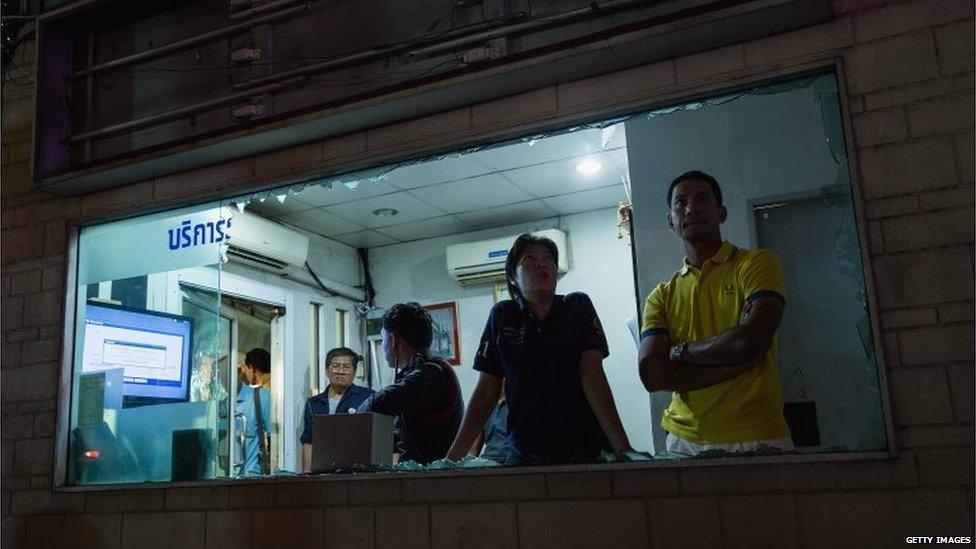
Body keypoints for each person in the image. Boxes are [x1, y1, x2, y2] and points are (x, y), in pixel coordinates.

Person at [637, 170, 792, 457]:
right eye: (680, 202)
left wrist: (678, 351)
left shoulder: (756, 264)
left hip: (757, 436)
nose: (691, 208)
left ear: (721, 212)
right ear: (670, 220)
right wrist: (734, 363)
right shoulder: (661, 295)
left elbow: (751, 340)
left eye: (702, 199)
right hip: (683, 441)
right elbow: (652, 374)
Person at [446, 233, 633, 464]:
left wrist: (623, 449)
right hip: (525, 454)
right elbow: (487, 391)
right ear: (513, 278)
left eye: (548, 259)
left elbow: (592, 375)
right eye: (530, 260)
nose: (542, 264)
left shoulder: (577, 307)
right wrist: (452, 459)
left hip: (582, 450)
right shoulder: (503, 316)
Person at [357, 302, 463, 465]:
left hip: (432, 479)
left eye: (383, 338)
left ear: (393, 340)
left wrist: (355, 416)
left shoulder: (429, 374)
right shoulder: (426, 371)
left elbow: (381, 401)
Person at [300, 347, 375, 472]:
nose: (340, 371)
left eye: (346, 367)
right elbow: (308, 441)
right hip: (323, 472)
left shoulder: (368, 397)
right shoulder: (313, 403)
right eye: (335, 366)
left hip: (358, 472)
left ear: (354, 372)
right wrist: (307, 476)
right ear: (327, 371)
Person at [237, 348, 272, 476]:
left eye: (246, 369)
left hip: (256, 467)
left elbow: (272, 433)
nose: (246, 374)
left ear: (252, 367)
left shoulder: (264, 393)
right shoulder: (273, 386)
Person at [467, 391, 509, 462]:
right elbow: (473, 451)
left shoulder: (519, 403)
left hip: (510, 464)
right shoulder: (485, 405)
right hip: (487, 462)